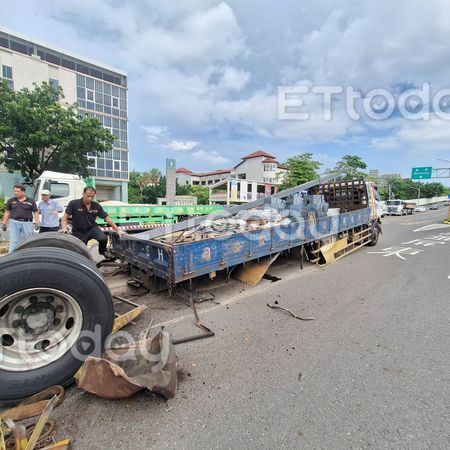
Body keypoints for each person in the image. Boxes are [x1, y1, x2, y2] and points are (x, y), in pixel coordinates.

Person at [60, 186, 122, 256]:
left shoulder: (96, 206)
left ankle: (102, 251)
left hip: (92, 229)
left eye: (92, 197)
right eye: (88, 196)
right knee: (80, 251)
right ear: (83, 194)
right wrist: (64, 228)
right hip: (79, 231)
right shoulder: (74, 204)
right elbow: (64, 218)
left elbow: (107, 218)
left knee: (103, 238)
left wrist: (117, 230)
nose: (90, 198)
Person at [1, 184, 39, 253]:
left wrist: (37, 222)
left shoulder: (31, 201)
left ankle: (29, 254)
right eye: (14, 191)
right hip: (14, 222)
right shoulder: (11, 201)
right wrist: (4, 223)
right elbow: (7, 212)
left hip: (27, 223)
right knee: (14, 241)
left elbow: (35, 212)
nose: (15, 193)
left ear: (23, 192)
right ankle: (11, 256)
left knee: (29, 240)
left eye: (17, 191)